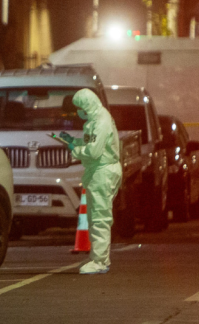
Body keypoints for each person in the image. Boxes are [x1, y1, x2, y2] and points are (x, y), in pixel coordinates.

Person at [58, 89, 122, 274]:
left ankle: (100, 261)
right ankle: (100, 258)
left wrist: (74, 149)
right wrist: (74, 141)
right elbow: (91, 144)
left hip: (103, 171)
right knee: (96, 216)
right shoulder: (95, 120)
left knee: (100, 216)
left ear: (86, 106)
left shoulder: (100, 121)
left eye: (79, 109)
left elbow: (93, 152)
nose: (78, 113)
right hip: (99, 171)